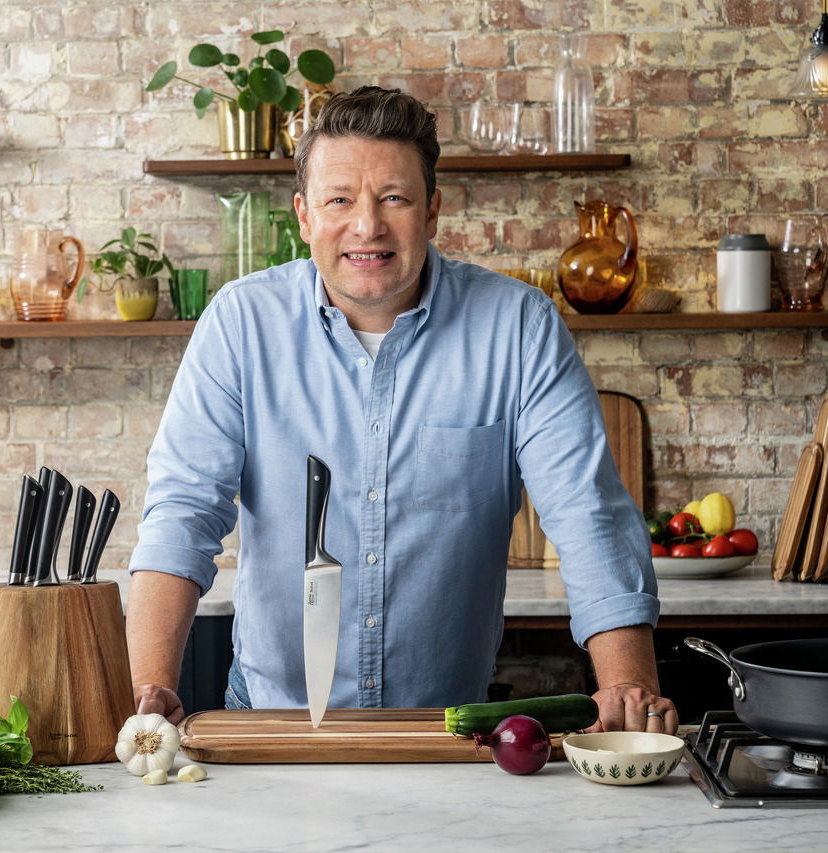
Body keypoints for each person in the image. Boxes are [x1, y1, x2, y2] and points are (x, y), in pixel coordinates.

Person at [126, 85, 677, 735]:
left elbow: (587, 514)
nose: (367, 226)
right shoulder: (240, 323)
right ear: (304, 215)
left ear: (432, 210)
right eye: (339, 200)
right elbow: (183, 510)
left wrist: (628, 684)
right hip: (274, 716)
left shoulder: (518, 327)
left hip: (450, 725)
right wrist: (150, 689)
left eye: (394, 198)